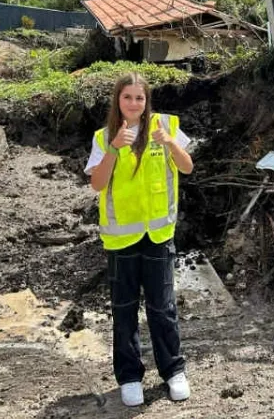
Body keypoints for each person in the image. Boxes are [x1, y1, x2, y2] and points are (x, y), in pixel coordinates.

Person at [84, 72, 194, 407]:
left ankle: (173, 371)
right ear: (118, 100)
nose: (134, 103)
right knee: (124, 310)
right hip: (122, 240)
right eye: (127, 97)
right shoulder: (104, 137)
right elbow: (97, 184)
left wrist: (169, 142)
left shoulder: (167, 127)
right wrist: (115, 150)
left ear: (147, 102)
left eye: (140, 98)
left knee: (162, 307)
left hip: (159, 236)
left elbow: (187, 167)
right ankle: (130, 377)